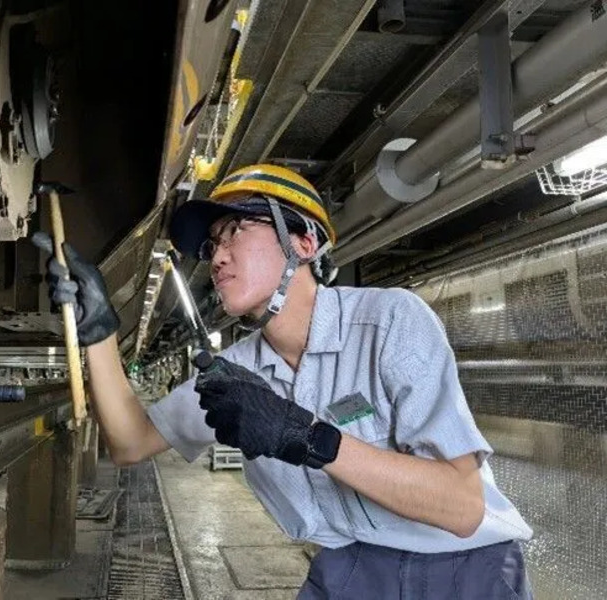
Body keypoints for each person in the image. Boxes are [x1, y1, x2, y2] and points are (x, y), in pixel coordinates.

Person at [33, 163, 534, 599]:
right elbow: (130, 442)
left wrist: (308, 438)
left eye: (234, 231)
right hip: (348, 564)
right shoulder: (238, 374)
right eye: (211, 245)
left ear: (304, 243)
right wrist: (99, 330)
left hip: (463, 567)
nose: (217, 257)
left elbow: (461, 506)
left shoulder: (389, 322)